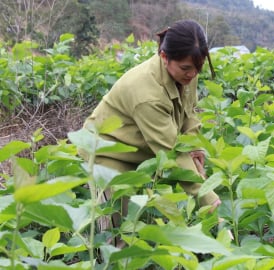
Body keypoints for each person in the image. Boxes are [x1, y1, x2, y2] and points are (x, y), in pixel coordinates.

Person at [82, 19, 221, 246]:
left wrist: (195, 145)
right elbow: (172, 154)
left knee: (140, 225)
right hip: (107, 152)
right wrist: (208, 197)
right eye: (186, 68)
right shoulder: (147, 94)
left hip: (140, 148)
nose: (193, 74)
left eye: (198, 68)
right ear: (164, 57)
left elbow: (190, 112)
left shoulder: (188, 73)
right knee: (119, 234)